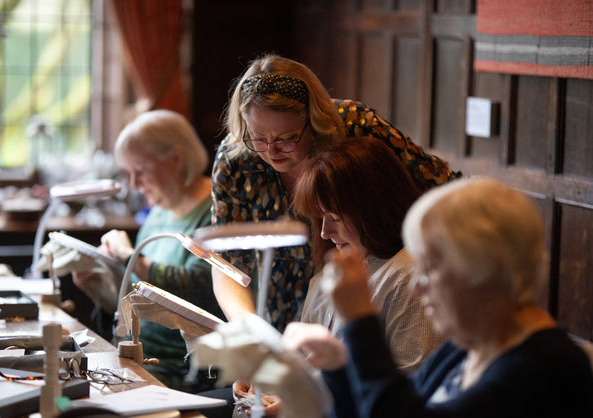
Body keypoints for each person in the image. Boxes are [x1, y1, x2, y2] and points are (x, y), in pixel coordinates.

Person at [283, 178, 593, 417]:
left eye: (429, 268)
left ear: (486, 268)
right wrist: (338, 365)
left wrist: (360, 322)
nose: (417, 286)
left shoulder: (551, 367)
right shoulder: (464, 350)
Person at [211, 53, 461, 333]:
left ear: (314, 122)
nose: (271, 151)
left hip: (378, 288)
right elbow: (224, 261)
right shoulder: (236, 158)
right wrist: (248, 325)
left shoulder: (356, 127)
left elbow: (443, 188)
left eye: (286, 138)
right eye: (258, 138)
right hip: (288, 301)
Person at [72, 109, 224, 391]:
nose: (133, 184)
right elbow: (143, 304)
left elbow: (199, 289)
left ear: (175, 159)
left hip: (182, 370)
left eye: (140, 171)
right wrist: (100, 289)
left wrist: (131, 258)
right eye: (128, 173)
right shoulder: (156, 215)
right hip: (138, 358)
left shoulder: (217, 212)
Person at [292, 136, 442, 372]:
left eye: (335, 218)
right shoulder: (335, 270)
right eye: (320, 218)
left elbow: (410, 383)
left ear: (373, 211)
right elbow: (305, 367)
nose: (324, 232)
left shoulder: (407, 279)